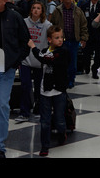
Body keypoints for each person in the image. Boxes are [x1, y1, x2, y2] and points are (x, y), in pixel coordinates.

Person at [28, 26, 70, 156]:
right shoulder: (46, 51)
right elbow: (43, 57)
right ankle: (44, 146)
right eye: (56, 38)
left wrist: (33, 47)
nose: (60, 40)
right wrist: (37, 50)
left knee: (59, 119)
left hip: (59, 91)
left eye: (61, 37)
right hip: (44, 91)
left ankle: (62, 133)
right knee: (45, 121)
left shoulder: (63, 51)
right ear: (49, 39)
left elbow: (47, 58)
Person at [0, 0, 30, 158]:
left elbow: (25, 41)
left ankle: (0, 145)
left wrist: (16, 61)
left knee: (2, 105)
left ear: (5, 0)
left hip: (6, 68)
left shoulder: (14, 17)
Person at [15, 2, 51, 123]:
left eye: (38, 8)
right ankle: (24, 112)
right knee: (25, 86)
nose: (36, 10)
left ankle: (39, 109)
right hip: (25, 60)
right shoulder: (24, 22)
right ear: (31, 10)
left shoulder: (47, 25)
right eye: (34, 8)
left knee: (39, 87)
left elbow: (50, 41)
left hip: (39, 61)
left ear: (42, 11)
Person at [51, 0, 88, 88]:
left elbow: (83, 25)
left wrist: (83, 38)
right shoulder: (57, 11)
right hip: (61, 42)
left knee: (72, 63)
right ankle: (62, 80)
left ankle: (71, 81)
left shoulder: (78, 11)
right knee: (61, 63)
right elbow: (52, 25)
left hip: (73, 40)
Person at [82, 0, 100, 79]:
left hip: (98, 35)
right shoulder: (84, 6)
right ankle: (86, 66)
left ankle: (95, 70)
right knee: (86, 53)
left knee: (98, 55)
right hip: (87, 34)